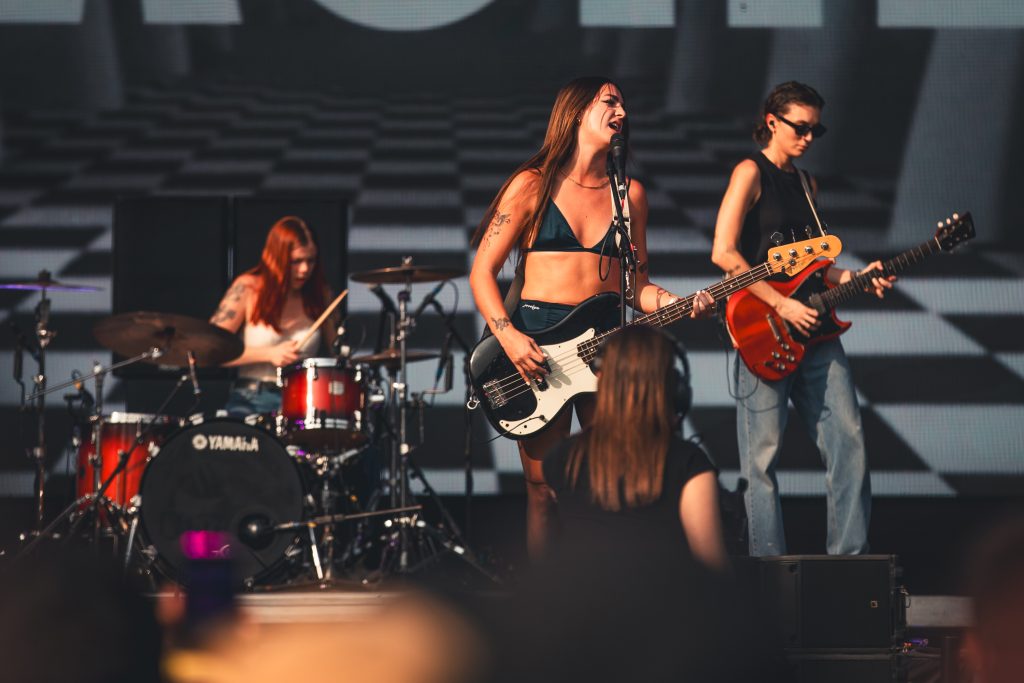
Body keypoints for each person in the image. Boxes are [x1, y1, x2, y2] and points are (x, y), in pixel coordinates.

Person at [469, 76, 713, 559]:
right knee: (543, 491)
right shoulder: (532, 185)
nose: (621, 110)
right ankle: (543, 603)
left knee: (615, 481)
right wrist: (510, 337)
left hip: (604, 350)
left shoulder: (630, 196)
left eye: (624, 102)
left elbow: (636, 287)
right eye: (610, 101)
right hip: (534, 351)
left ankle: (610, 591)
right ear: (578, 112)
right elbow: (482, 272)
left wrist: (678, 302)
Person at [710, 81, 895, 556]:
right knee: (761, 462)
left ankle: (850, 565)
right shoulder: (750, 172)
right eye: (800, 127)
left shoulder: (806, 184)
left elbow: (815, 266)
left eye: (816, 130)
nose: (809, 137)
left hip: (816, 328)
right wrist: (779, 303)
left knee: (849, 443)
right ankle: (769, 576)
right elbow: (724, 253)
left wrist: (856, 275)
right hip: (763, 327)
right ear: (771, 121)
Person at [542, 325, 728, 571]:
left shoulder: (560, 459)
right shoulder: (690, 463)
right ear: (672, 388)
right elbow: (714, 570)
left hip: (578, 608)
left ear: (603, 381)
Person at [210, 215, 337, 417]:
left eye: (310, 261)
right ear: (277, 258)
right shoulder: (248, 288)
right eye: (296, 262)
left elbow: (338, 353)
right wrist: (269, 354)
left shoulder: (320, 295)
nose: (304, 270)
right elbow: (210, 350)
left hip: (304, 401)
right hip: (252, 397)